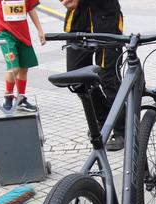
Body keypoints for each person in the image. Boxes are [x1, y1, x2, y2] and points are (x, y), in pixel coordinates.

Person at [59, 0, 125, 151]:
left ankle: (122, 130)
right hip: (78, 22)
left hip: (106, 21)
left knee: (109, 79)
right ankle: (103, 119)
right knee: (76, 77)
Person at [0, 0, 45, 112]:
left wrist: (40, 30)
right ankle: (8, 96)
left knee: (23, 69)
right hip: (6, 36)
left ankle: (20, 99)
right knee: (13, 67)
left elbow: (31, 9)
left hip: (23, 36)